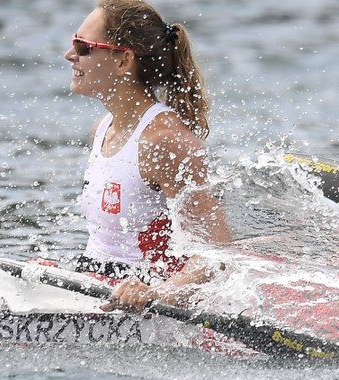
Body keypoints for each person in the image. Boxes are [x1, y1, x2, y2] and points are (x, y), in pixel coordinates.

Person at [64, 0, 232, 311]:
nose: (69, 55)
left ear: (123, 60)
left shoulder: (166, 142)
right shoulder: (102, 128)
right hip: (95, 280)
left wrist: (157, 294)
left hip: (139, 296)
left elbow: (217, 255)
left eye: (83, 46)